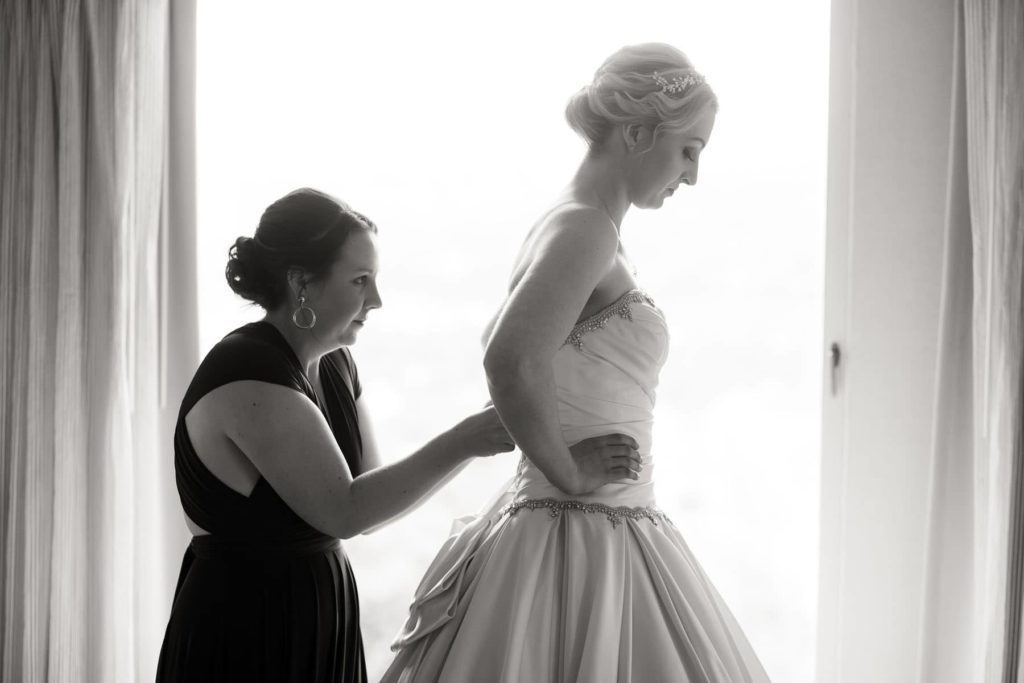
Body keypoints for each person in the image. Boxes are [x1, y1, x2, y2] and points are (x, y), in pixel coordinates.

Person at [382, 44, 771, 682]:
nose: (694, 176)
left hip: (594, 522)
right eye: (690, 150)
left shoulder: (579, 226)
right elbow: (509, 359)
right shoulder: (586, 229)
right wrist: (568, 471)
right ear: (640, 131)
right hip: (581, 531)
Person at [154, 188, 641, 682]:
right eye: (359, 280)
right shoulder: (249, 375)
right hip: (245, 625)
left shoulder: (335, 363)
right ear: (302, 283)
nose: (376, 300)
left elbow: (372, 497)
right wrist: (465, 439)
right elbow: (346, 509)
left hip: (315, 612)